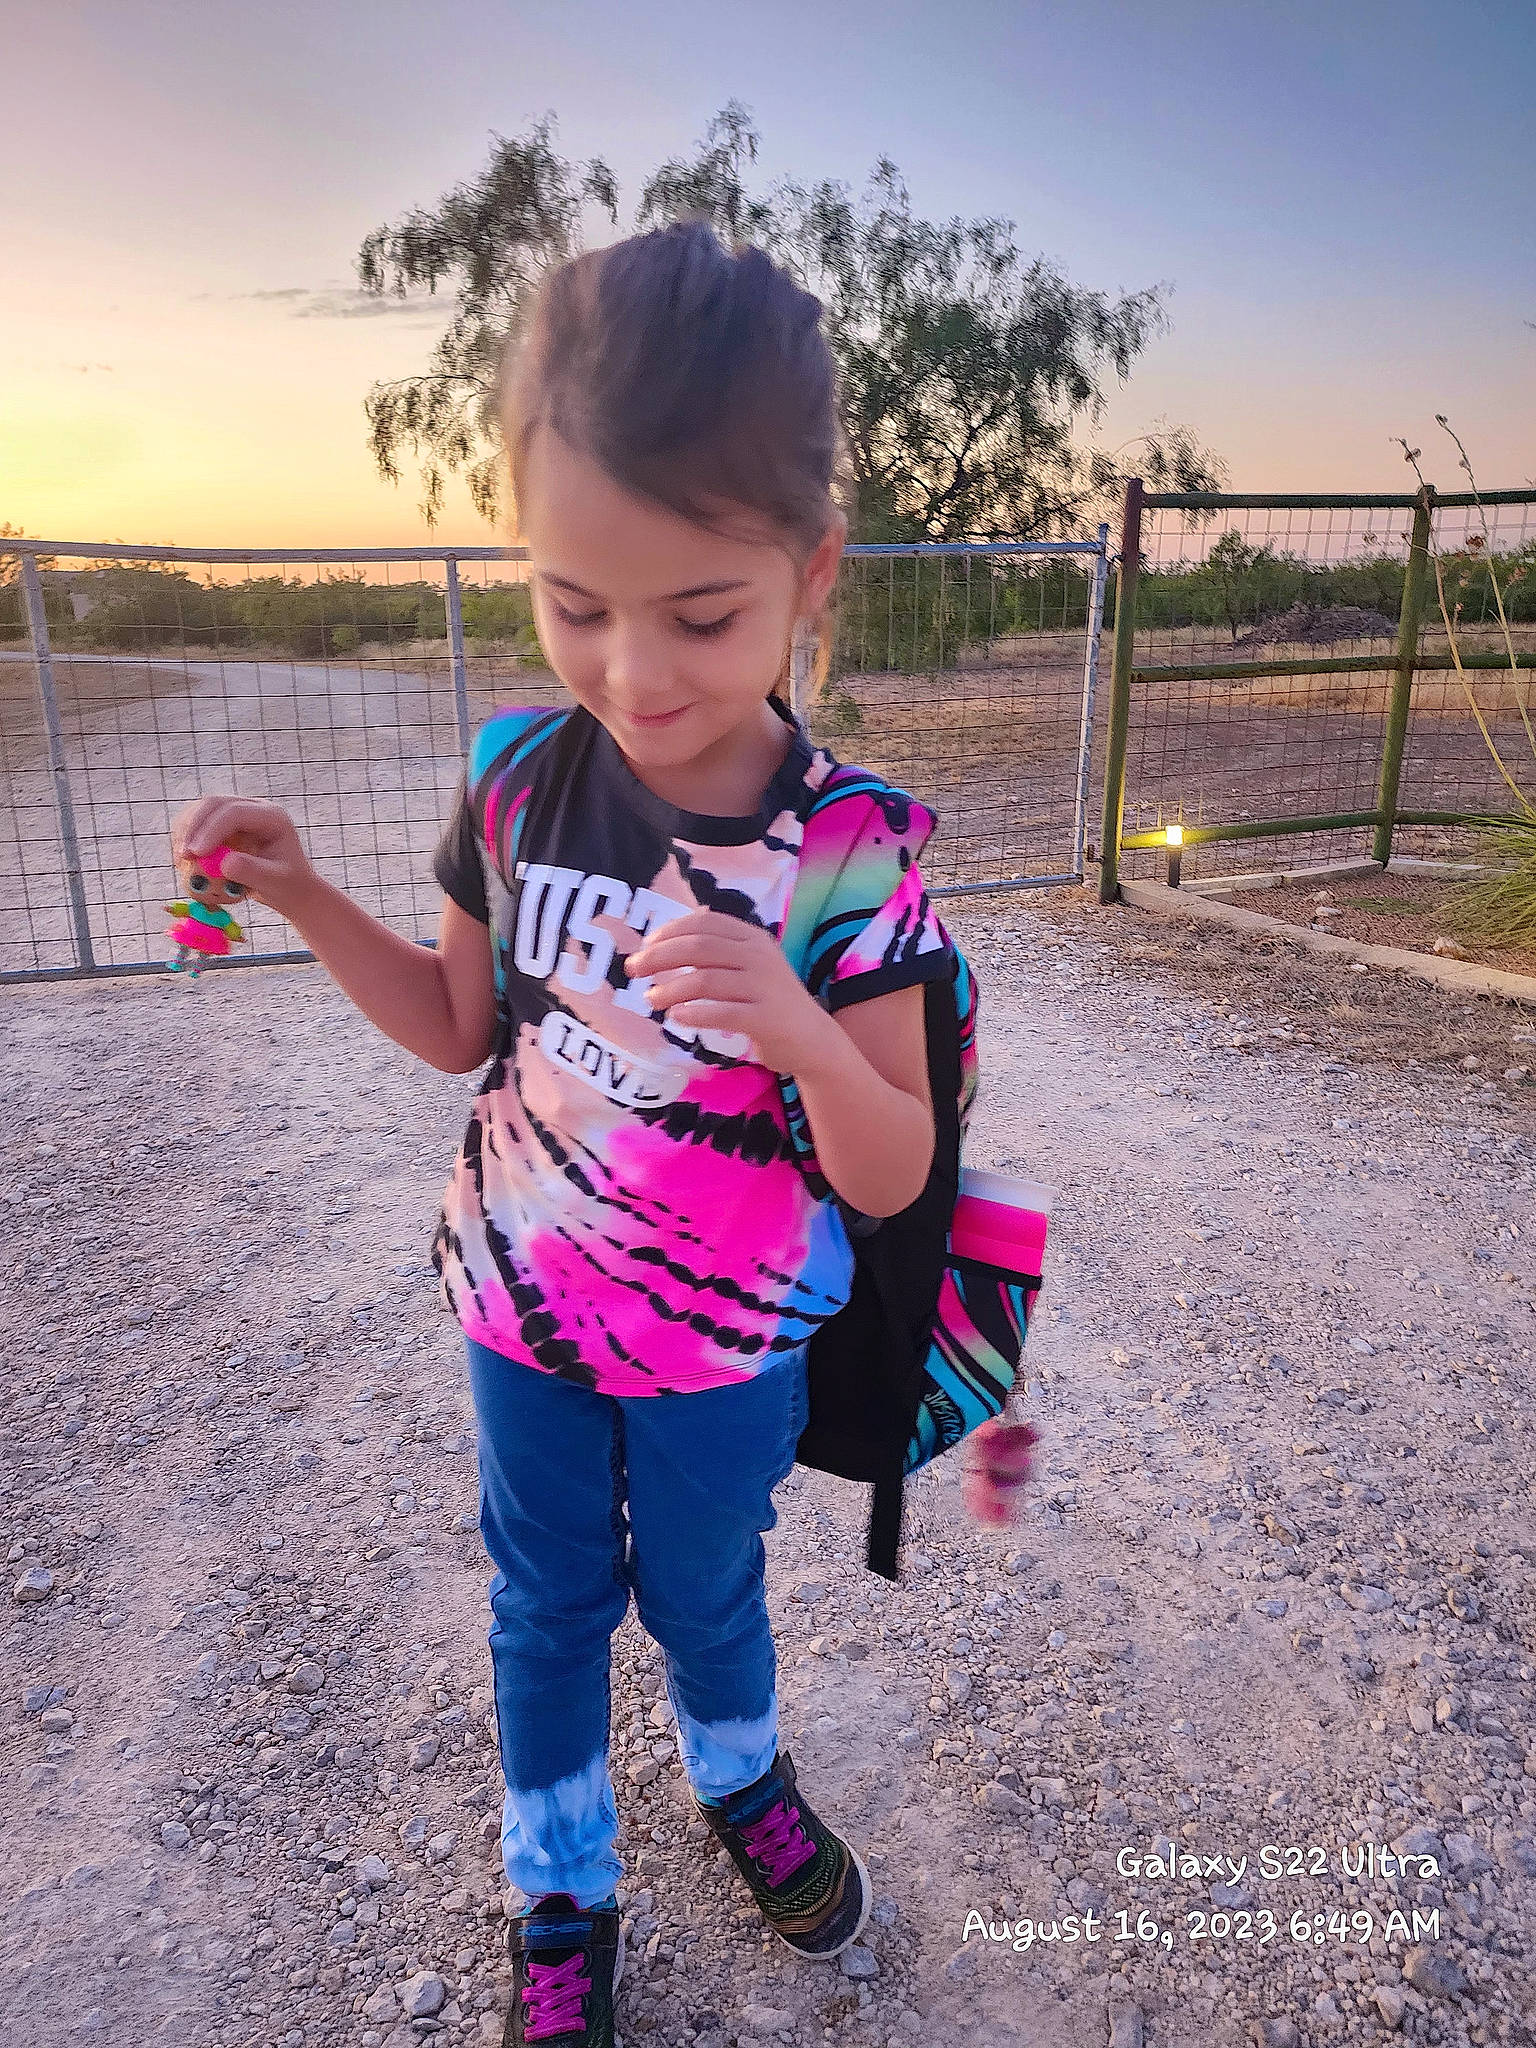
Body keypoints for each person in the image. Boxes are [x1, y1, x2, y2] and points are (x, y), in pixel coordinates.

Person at [174, 221, 999, 2047]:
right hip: (522, 1313)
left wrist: (798, 1028)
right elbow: (457, 1029)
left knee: (704, 1594)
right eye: (573, 604)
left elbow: (892, 1170)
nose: (632, 672)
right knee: (544, 1607)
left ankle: (740, 1778)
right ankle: (561, 1879)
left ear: (811, 575)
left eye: (700, 615)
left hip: (726, 1346)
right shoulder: (515, 778)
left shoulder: (847, 847)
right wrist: (302, 894)